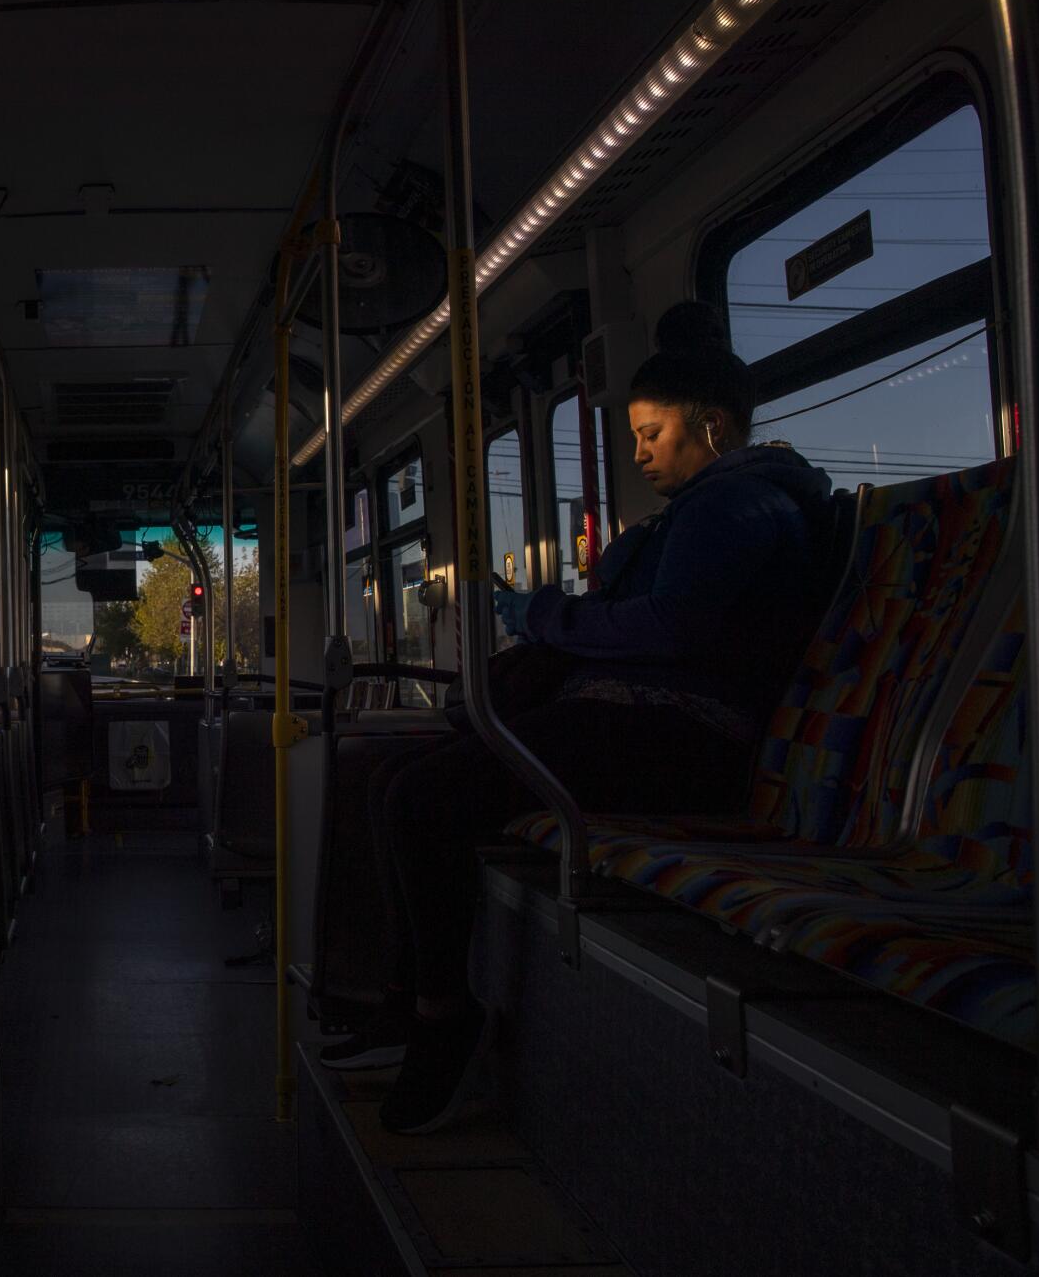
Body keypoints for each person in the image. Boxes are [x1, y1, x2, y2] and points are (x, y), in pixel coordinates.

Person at [325, 302, 837, 1134]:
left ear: (710, 428)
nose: (637, 452)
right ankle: (402, 996)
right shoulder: (709, 510)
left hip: (678, 737)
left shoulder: (738, 509)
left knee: (419, 797)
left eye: (651, 433)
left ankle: (442, 1014)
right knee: (392, 781)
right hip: (631, 725)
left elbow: (669, 628)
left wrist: (540, 617)